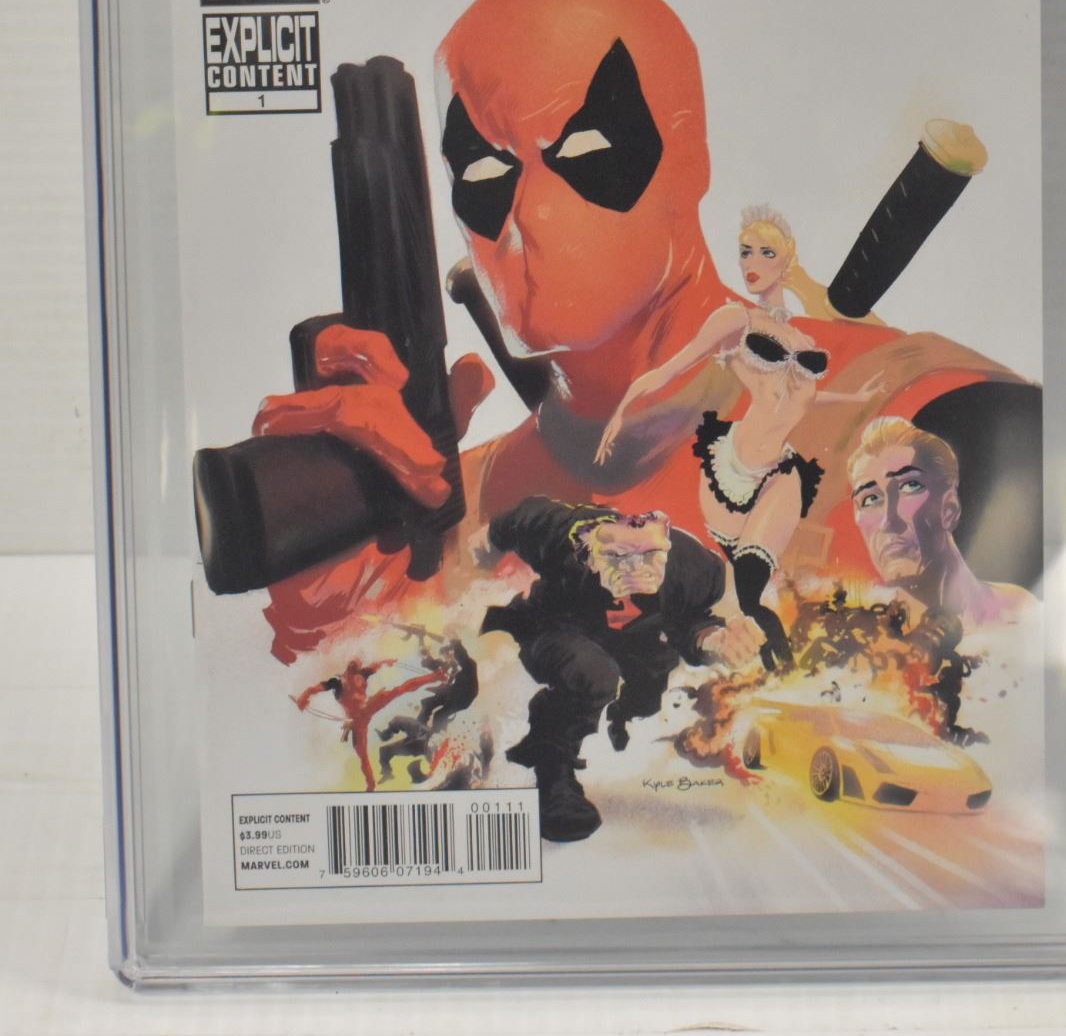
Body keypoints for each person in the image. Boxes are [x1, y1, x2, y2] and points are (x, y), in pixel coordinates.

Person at [252, 0, 1024, 662]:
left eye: (584, 152)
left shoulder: (928, 423)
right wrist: (343, 616)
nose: (527, 215)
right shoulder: (460, 512)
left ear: (688, 156)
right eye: (483, 171)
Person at [596, 208, 878, 670]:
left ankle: (783, 666)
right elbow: (673, 367)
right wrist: (623, 408)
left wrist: (855, 397)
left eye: (766, 252)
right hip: (732, 472)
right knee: (742, 594)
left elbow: (803, 400)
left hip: (780, 473)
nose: (752, 262)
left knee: (751, 582)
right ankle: (764, 664)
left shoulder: (802, 339)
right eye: (746, 251)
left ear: (787, 259)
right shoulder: (736, 319)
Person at [475, 498, 764, 843]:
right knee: (594, 674)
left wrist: (715, 640)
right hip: (561, 625)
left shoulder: (691, 568)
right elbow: (504, 529)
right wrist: (480, 557)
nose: (636, 569)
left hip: (638, 642)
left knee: (646, 696)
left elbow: (691, 621)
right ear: (588, 555)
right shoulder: (555, 532)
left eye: (650, 556)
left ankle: (621, 717)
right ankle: (554, 772)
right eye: (618, 557)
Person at [847, 416, 1038, 630]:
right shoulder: (866, 638)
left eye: (909, 486)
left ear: (949, 508)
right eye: (870, 499)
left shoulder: (1022, 612)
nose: (888, 522)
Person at [293, 657, 445, 792]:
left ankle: (436, 676)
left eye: (357, 661)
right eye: (352, 661)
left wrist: (387, 661)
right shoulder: (336, 682)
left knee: (401, 689)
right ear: (347, 665)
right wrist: (304, 697)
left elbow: (376, 665)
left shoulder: (363, 673)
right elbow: (313, 689)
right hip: (357, 722)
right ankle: (371, 784)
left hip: (368, 708)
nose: (355, 661)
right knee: (362, 754)